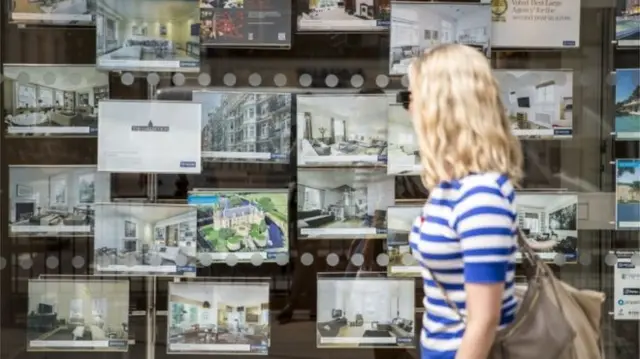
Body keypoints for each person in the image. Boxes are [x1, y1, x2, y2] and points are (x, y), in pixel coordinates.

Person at [407, 44, 524, 359]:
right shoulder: (450, 187)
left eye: (414, 98)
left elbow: (484, 321)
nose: (410, 109)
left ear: (440, 108)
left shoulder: (481, 196)